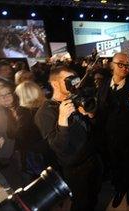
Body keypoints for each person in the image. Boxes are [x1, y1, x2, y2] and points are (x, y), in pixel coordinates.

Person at [34, 65, 102, 211]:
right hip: (75, 169)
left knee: (94, 195)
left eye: (75, 79)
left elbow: (90, 127)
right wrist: (63, 119)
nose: (74, 83)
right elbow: (58, 147)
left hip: (92, 158)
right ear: (54, 83)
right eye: (69, 79)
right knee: (81, 204)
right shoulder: (45, 112)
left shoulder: (75, 98)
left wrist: (89, 115)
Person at [96, 52, 129, 208]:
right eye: (121, 64)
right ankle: (119, 189)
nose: (124, 68)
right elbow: (99, 109)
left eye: (127, 65)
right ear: (112, 65)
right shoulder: (104, 84)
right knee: (115, 164)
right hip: (109, 136)